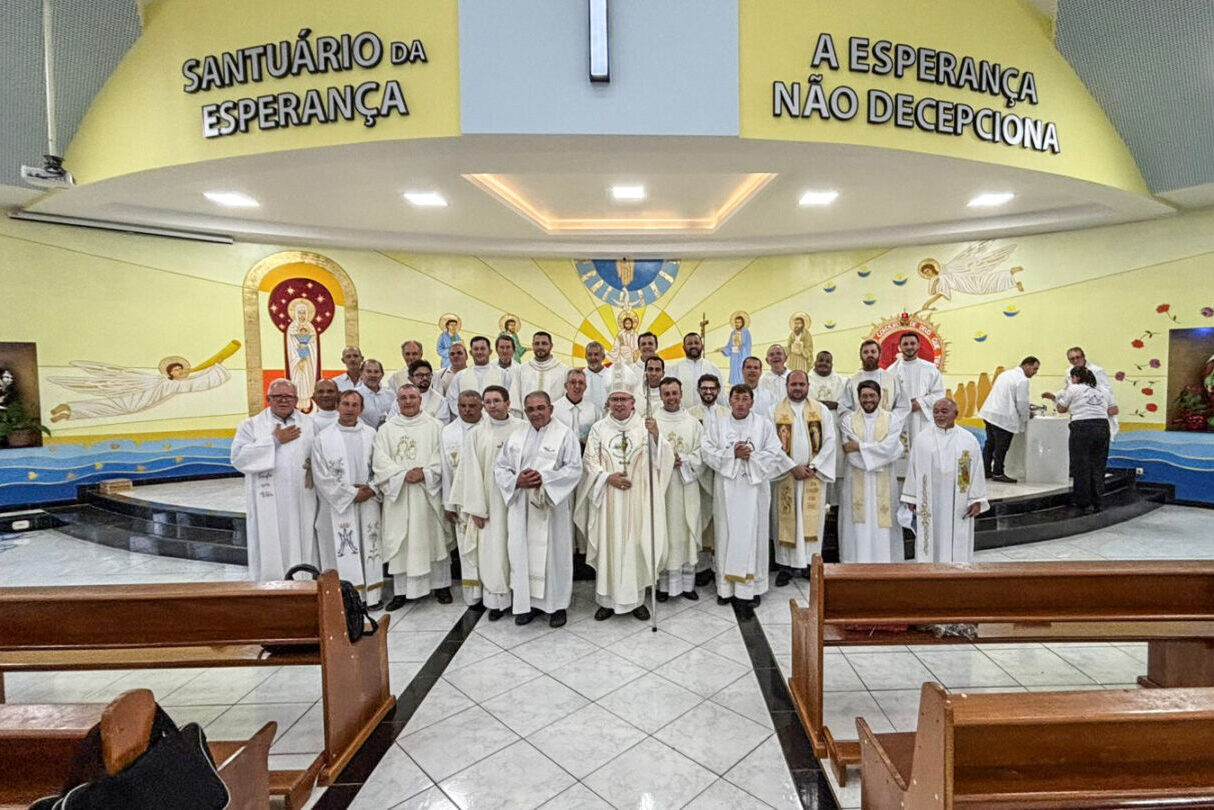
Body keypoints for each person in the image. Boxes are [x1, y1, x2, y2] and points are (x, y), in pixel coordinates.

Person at [578, 382, 674, 621]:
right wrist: (606, 477)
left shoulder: (645, 425)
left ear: (633, 402)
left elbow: (663, 458)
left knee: (637, 544)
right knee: (609, 545)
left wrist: (656, 436)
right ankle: (607, 600)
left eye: (624, 399)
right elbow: (589, 461)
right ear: (608, 403)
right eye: (615, 399)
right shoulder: (599, 429)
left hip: (638, 497)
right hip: (608, 499)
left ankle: (637, 600)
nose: (619, 404)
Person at [496, 391, 583, 626]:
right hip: (522, 505)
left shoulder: (565, 435)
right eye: (531, 409)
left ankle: (557, 606)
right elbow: (501, 467)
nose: (536, 413)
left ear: (551, 409)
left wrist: (543, 478)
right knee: (522, 554)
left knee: (554, 556)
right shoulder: (516, 435)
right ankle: (527, 604)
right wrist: (516, 481)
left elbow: (574, 468)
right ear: (525, 412)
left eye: (541, 408)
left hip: (551, 506)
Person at [703, 383, 793, 608]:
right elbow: (706, 450)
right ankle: (726, 588)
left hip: (754, 490)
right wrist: (731, 454)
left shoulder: (763, 425)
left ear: (752, 402)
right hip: (727, 488)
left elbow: (774, 452)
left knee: (755, 536)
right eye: (737, 399)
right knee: (726, 534)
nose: (741, 403)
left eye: (745, 399)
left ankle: (751, 589)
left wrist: (749, 456)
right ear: (730, 401)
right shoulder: (718, 424)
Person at [372, 383, 452, 609]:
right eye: (403, 398)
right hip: (399, 495)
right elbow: (380, 461)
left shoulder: (435, 426)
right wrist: (402, 475)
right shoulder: (387, 429)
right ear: (397, 402)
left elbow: (442, 458)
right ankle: (401, 591)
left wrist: (425, 473)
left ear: (420, 400)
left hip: (427, 494)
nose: (408, 401)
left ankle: (441, 585)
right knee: (402, 539)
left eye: (412, 397)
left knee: (433, 538)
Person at [230, 379, 318, 581]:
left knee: (301, 538)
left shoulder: (310, 424)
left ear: (296, 399)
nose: (283, 400)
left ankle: (303, 582)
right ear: (268, 399)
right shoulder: (251, 425)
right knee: (270, 540)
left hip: (301, 497)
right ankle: (270, 584)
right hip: (268, 500)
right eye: (278, 396)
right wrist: (274, 442)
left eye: (288, 396)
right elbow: (238, 458)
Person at [452, 385, 526, 617]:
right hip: (490, 505)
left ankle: (522, 600)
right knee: (493, 552)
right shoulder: (477, 433)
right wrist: (475, 508)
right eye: (488, 402)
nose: (492, 406)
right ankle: (497, 602)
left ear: (508, 403)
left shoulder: (523, 429)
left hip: (519, 501)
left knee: (519, 550)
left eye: (496, 400)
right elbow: (470, 472)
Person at [311, 390, 383, 607]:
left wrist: (372, 488)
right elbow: (321, 475)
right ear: (337, 406)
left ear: (361, 409)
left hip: (369, 501)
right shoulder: (323, 438)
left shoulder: (372, 434)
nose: (350, 409)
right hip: (340, 506)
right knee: (345, 547)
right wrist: (351, 494)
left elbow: (382, 465)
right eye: (346, 404)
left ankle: (372, 596)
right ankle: (349, 598)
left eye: (354, 405)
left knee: (369, 544)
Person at [901, 399, 989, 563]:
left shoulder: (969, 440)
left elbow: (977, 471)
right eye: (936, 411)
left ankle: (958, 573)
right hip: (930, 501)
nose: (939, 415)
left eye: (944, 411)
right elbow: (912, 470)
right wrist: (912, 498)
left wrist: (976, 499)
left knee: (958, 547)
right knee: (930, 542)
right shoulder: (922, 440)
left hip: (959, 503)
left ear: (956, 414)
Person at [771, 370, 837, 585]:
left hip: (813, 475)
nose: (797, 388)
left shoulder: (821, 410)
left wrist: (814, 466)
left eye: (801, 384)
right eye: (793, 384)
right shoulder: (774, 410)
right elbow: (771, 444)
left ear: (808, 385)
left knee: (811, 521)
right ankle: (786, 567)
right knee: (785, 520)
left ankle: (810, 564)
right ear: (787, 386)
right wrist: (791, 466)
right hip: (786, 476)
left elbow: (829, 440)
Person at [650, 377, 704, 601]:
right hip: (661, 487)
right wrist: (663, 460)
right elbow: (644, 452)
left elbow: (702, 453)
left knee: (685, 530)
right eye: (667, 394)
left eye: (674, 393)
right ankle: (663, 586)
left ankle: (687, 584)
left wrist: (684, 459)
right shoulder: (652, 421)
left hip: (685, 486)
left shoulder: (692, 423)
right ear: (660, 395)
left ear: (681, 394)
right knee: (663, 532)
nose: (671, 398)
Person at [839, 381, 904, 563]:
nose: (868, 400)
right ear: (858, 398)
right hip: (856, 480)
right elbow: (850, 454)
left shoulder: (892, 419)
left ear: (879, 397)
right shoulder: (848, 420)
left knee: (882, 523)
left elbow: (891, 448)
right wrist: (879, 452)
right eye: (864, 396)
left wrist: (859, 446)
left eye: (871, 396)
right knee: (858, 524)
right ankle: (855, 565)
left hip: (884, 483)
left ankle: (884, 565)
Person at [1055, 366, 1115, 513]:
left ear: (1076, 377)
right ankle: (1098, 500)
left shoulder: (1074, 389)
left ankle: (1082, 501)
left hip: (1082, 427)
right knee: (1098, 465)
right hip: (1102, 427)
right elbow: (1113, 409)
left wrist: (1056, 399)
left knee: (1081, 464)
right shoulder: (1103, 391)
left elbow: (1061, 409)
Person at [978, 356, 1040, 483]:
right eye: (1034, 369)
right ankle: (998, 473)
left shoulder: (1006, 374)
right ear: (1027, 365)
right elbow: (1021, 403)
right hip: (1003, 417)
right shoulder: (1023, 380)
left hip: (990, 412)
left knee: (990, 444)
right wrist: (1027, 415)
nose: (1035, 373)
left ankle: (986, 471)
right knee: (1001, 447)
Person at [441, 390, 486, 555]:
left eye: (472, 406)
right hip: (460, 497)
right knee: (465, 541)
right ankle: (470, 581)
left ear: (482, 406)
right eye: (463, 406)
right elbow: (446, 469)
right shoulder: (448, 431)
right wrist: (448, 503)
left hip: (486, 496)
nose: (467, 410)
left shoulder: (489, 427)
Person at [889, 332, 945, 460]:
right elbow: (887, 397)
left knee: (923, 455)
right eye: (905, 344)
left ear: (919, 345)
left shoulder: (930, 369)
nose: (909, 347)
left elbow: (939, 393)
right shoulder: (891, 371)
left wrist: (920, 403)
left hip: (922, 418)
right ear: (900, 347)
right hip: (900, 419)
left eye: (912, 343)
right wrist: (904, 404)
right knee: (902, 456)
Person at [1043, 346, 1118, 438]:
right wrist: (1055, 396)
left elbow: (1107, 390)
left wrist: (1110, 406)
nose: (1075, 361)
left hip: (1098, 415)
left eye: (1078, 357)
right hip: (1079, 416)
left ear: (1083, 356)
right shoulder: (1069, 372)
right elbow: (1067, 389)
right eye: (1072, 359)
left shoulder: (1097, 371)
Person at [840, 339, 908, 420]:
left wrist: (890, 421)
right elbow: (843, 409)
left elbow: (903, 406)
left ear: (879, 354)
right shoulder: (852, 381)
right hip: (859, 429)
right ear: (860, 356)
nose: (869, 355)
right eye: (866, 352)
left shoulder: (892, 379)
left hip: (887, 428)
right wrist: (854, 422)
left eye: (873, 352)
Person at [446, 336, 509, 415]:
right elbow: (452, 399)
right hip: (468, 421)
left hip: (496, 421)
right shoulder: (460, 376)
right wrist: (466, 416)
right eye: (476, 349)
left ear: (490, 351)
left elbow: (508, 398)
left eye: (482, 349)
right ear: (470, 352)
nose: (479, 352)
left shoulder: (503, 374)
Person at [510, 331, 569, 410]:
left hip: (556, 419)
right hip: (526, 420)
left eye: (544, 343)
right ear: (532, 346)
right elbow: (515, 401)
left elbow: (567, 401)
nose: (540, 347)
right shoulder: (521, 370)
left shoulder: (564, 370)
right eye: (537, 344)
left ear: (551, 346)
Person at [553, 368, 601, 446]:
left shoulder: (594, 410)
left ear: (585, 387)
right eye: (573, 382)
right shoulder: (554, 409)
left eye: (581, 383)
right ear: (566, 386)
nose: (577, 386)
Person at [286, 299, 319, 405]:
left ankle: (307, 403)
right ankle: (298, 402)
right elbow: (291, 344)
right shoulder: (292, 327)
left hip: (309, 359)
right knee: (298, 379)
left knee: (308, 379)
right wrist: (299, 357)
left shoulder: (310, 327)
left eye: (304, 313)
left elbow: (313, 344)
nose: (302, 315)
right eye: (299, 313)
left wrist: (306, 347)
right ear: (295, 313)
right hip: (296, 359)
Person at [355, 359, 394, 428]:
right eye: (368, 371)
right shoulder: (354, 395)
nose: (373, 375)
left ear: (382, 375)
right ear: (361, 373)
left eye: (376, 372)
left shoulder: (391, 395)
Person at [720, 313, 752, 385]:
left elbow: (747, 345)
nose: (737, 324)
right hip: (734, 357)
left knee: (741, 371)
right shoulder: (733, 333)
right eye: (736, 322)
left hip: (742, 355)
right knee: (734, 371)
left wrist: (741, 347)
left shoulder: (746, 332)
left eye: (739, 322)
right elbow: (729, 345)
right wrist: (723, 349)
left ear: (743, 323)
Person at [582, 341, 610, 409]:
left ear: (603, 357)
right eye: (589, 354)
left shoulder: (611, 375)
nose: (592, 358)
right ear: (585, 357)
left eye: (596, 354)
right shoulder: (580, 377)